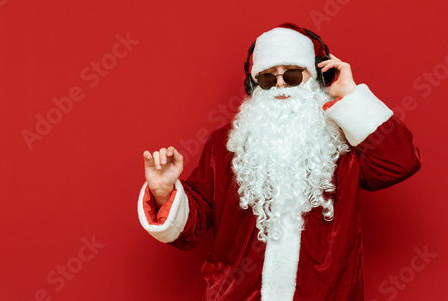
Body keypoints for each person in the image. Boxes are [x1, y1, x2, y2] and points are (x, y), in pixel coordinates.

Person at [137, 23, 421, 301]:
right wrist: (164, 193)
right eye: (268, 78)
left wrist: (350, 94)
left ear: (317, 79)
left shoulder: (345, 141)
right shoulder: (225, 144)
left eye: (294, 75)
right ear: (255, 85)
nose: (281, 85)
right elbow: (193, 226)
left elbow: (401, 162)